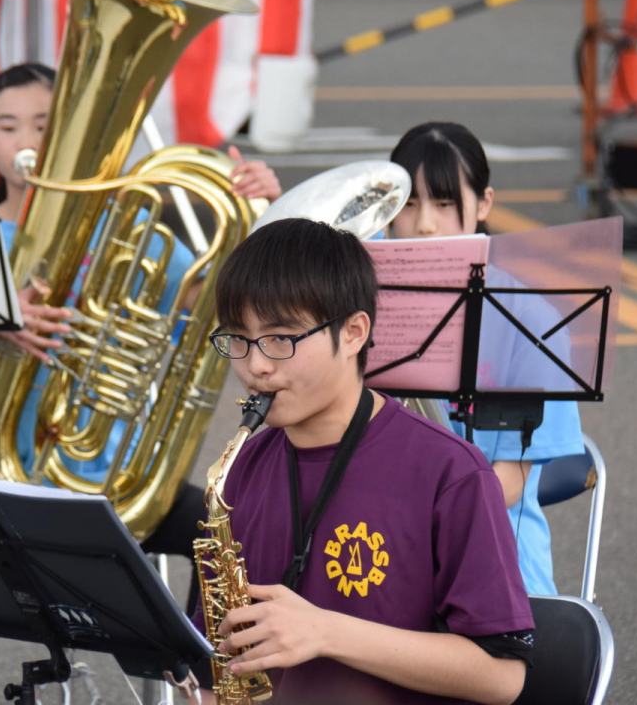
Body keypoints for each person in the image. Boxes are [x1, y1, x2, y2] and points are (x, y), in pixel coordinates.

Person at [0, 62, 282, 705]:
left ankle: (207, 690)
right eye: (8, 123)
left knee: (226, 530)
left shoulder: (122, 224)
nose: (26, 139)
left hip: (112, 487)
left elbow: (218, 300)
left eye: (47, 124)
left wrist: (260, 212)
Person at [198, 217, 533, 705]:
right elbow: (214, 662)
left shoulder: (450, 473)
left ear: (354, 333)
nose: (256, 366)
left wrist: (326, 632)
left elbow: (502, 676)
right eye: (239, 339)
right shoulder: (239, 471)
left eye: (280, 339)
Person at [387, 121, 586, 596]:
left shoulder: (529, 322)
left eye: (444, 203)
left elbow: (510, 481)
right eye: (408, 204)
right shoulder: (361, 310)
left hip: (495, 565)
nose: (425, 224)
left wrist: (412, 525)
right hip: (383, 551)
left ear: (483, 205)